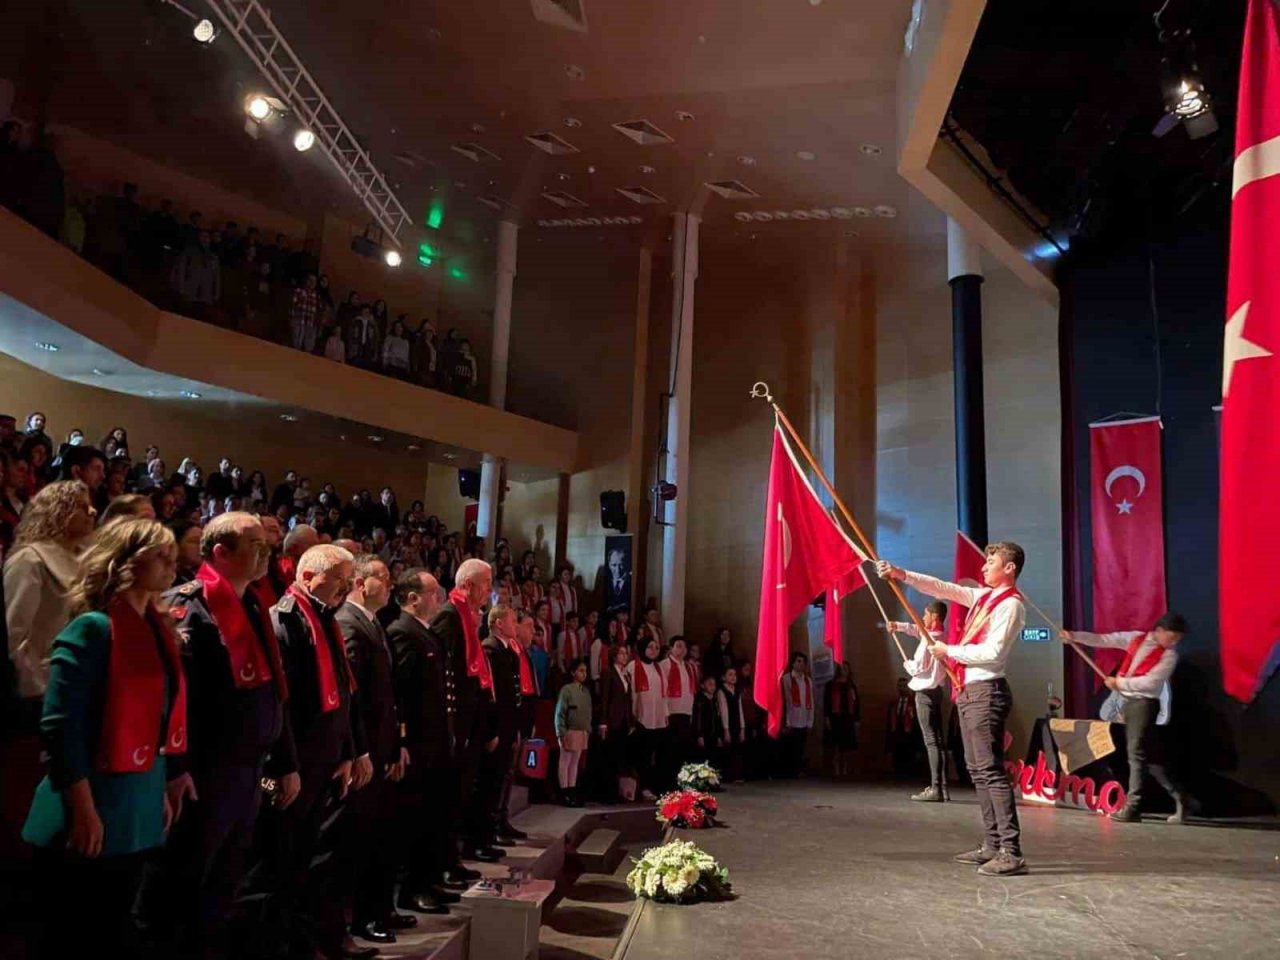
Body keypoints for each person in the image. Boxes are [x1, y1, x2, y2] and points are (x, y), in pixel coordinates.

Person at [22, 519, 187, 960]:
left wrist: (161, 786)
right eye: (161, 554)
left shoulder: (158, 628)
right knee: (76, 932)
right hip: (91, 801)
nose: (174, 562)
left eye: (174, 553)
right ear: (126, 561)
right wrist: (84, 808)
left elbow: (158, 721)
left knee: (114, 927)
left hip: (136, 801)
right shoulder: (93, 628)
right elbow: (60, 726)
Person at [138, 512, 288, 959]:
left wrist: (283, 759)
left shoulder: (254, 604)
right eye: (255, 547)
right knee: (184, 881)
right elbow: (173, 701)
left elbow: (272, 691)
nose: (266, 555)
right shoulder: (189, 607)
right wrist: (177, 768)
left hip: (248, 772)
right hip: (206, 772)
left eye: (267, 546)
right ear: (220, 552)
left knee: (225, 885)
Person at [877, 542, 1028, 878]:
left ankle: (1011, 850)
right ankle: (992, 844)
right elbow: (942, 588)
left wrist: (950, 650)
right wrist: (901, 574)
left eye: (992, 562)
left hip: (986, 691)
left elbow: (993, 653)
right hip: (970, 691)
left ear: (1010, 568)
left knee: (990, 771)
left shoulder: (1011, 605)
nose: (985, 567)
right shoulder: (984, 598)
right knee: (977, 770)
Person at [265, 544, 370, 960]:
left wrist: (346, 752)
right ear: (309, 577)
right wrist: (285, 764)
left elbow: (342, 692)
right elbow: (284, 703)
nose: (347, 586)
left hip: (326, 760)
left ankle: (308, 941)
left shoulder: (325, 618)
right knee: (283, 862)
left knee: (311, 861)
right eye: (340, 578)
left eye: (349, 579)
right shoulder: (287, 620)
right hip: (299, 761)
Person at [336, 554, 415, 945]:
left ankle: (378, 909)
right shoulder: (349, 623)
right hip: (365, 755)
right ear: (359, 582)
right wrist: (363, 751)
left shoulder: (373, 624)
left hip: (383, 750)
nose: (390, 584)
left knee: (381, 835)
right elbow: (356, 699)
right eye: (383, 577)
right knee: (362, 840)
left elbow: (388, 697)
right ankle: (360, 919)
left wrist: (397, 743)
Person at [1062, 613, 1197, 823]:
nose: (1173, 643)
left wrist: (1120, 684)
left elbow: (1151, 683)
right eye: (1171, 638)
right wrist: (1074, 636)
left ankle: (1133, 806)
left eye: (1176, 640)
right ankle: (1182, 799)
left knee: (1136, 754)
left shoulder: (1169, 656)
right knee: (1149, 758)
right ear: (1159, 630)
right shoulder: (1136, 639)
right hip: (1129, 702)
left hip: (1144, 704)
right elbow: (1104, 640)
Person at [387, 568, 463, 913]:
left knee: (433, 815)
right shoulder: (403, 632)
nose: (440, 598)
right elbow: (400, 694)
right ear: (413, 597)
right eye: (433, 592)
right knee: (414, 820)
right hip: (418, 743)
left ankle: (428, 881)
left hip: (436, 741)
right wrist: (401, 740)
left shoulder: (425, 632)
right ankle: (412, 889)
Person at [428, 558, 501, 862]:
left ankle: (455, 859)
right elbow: (447, 675)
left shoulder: (469, 617)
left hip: (469, 723)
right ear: (468, 585)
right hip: (454, 723)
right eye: (486, 583)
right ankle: (444, 862)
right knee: (448, 798)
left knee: (462, 795)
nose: (489, 589)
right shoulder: (449, 616)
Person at [5, 481, 97, 715]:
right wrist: (37, 688)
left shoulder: (84, 562)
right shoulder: (30, 560)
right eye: (81, 507)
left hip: (77, 682)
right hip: (40, 692)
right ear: (59, 511)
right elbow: (13, 636)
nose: (92, 512)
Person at [888, 601, 950, 801]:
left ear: (935, 617)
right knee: (938, 741)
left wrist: (906, 664)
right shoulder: (941, 636)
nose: (922, 618)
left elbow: (918, 668)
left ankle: (935, 789)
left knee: (931, 741)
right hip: (937, 691)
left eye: (925, 615)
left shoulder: (931, 642)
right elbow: (917, 629)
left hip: (924, 692)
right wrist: (898, 626)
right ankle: (942, 787)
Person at [484, 604, 534, 843]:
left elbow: (514, 694)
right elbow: (493, 695)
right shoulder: (490, 649)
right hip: (498, 725)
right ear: (498, 623)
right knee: (494, 778)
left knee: (505, 775)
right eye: (512, 621)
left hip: (509, 724)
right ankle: (491, 826)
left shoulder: (508, 651)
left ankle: (501, 821)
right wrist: (495, 729)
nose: (515, 626)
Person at [628, 637, 669, 800]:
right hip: (640, 717)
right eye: (650, 647)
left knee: (653, 754)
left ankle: (651, 786)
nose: (653, 651)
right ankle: (639, 788)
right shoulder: (633, 666)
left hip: (657, 718)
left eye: (656, 648)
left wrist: (665, 714)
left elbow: (664, 693)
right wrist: (632, 716)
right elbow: (630, 693)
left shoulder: (659, 668)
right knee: (641, 755)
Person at [597, 643, 633, 804]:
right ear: (614, 655)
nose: (625, 656)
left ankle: (617, 792)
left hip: (623, 720)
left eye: (626, 653)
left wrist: (630, 720)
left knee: (619, 757)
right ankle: (607, 793)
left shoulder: (626, 674)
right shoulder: (608, 672)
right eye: (622, 653)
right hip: (612, 720)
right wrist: (603, 721)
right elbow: (604, 698)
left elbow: (628, 699)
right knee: (609, 758)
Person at [554, 658, 592, 807]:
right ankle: (564, 792)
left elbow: (588, 712)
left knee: (575, 763)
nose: (584, 674)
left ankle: (572, 790)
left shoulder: (585, 691)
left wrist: (587, 729)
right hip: (569, 731)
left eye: (585, 671)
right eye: (581, 670)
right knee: (565, 761)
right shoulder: (566, 690)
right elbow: (560, 712)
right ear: (573, 672)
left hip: (581, 731)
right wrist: (560, 732)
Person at [661, 636, 698, 780]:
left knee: (683, 748)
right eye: (678, 646)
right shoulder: (664, 665)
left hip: (686, 712)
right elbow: (662, 691)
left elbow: (691, 691)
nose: (682, 650)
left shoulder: (690, 666)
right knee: (670, 748)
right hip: (671, 712)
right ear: (671, 648)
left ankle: (680, 778)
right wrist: (664, 712)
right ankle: (667, 779)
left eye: (684, 647)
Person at [823, 660, 861, 780]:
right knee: (834, 744)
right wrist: (826, 717)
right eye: (841, 668)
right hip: (835, 718)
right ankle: (835, 768)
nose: (843, 670)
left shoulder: (851, 685)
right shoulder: (830, 685)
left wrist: (857, 719)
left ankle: (844, 767)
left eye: (846, 668)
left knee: (846, 746)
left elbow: (857, 704)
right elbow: (826, 703)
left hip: (848, 718)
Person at [780, 652, 814, 778]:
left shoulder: (807, 680)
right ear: (793, 663)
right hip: (792, 718)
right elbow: (787, 701)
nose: (801, 664)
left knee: (801, 746)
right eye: (798, 661)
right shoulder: (786, 679)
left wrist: (811, 720)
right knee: (790, 746)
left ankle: (798, 769)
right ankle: (790, 770)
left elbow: (810, 700)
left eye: (803, 662)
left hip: (804, 717)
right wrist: (787, 721)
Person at [884, 677, 921, 780]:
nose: (902, 688)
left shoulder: (914, 703)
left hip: (910, 736)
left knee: (909, 763)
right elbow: (889, 723)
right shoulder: (893, 704)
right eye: (899, 686)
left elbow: (917, 723)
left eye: (904, 686)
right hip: (896, 735)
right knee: (897, 763)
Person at [717, 665, 748, 783]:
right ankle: (728, 776)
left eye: (734, 675)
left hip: (736, 724)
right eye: (730, 674)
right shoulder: (721, 691)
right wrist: (726, 730)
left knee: (737, 750)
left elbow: (740, 710)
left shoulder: (737, 691)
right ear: (723, 677)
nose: (733, 677)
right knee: (728, 750)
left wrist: (742, 728)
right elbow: (723, 711)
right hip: (727, 725)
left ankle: (737, 775)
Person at [692, 673, 723, 766]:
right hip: (704, 735)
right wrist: (699, 735)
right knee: (703, 759)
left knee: (714, 759)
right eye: (710, 684)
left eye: (714, 684)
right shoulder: (700, 700)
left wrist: (718, 736)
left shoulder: (715, 700)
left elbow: (718, 719)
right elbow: (697, 719)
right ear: (702, 685)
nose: (713, 687)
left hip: (713, 735)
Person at [289, 273, 320, 354]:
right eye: (310, 280)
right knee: (296, 347)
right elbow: (293, 306)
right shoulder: (299, 291)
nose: (312, 283)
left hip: (311, 324)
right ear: (306, 281)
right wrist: (292, 320)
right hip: (299, 321)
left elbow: (318, 311)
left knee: (308, 349)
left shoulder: (316, 296)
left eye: (314, 281)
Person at [549, 564, 578, 630]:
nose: (568, 576)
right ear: (560, 576)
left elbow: (575, 603)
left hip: (570, 617)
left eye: (568, 574)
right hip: (559, 617)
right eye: (565, 574)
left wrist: (574, 615)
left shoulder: (572, 589)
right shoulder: (557, 587)